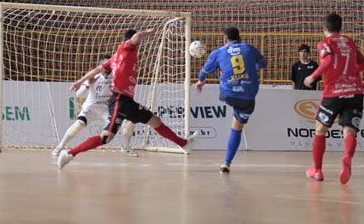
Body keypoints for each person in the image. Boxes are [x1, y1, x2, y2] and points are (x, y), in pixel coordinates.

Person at [58, 28, 198, 169]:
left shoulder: (115, 58)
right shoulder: (126, 49)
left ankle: (184, 144)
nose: (138, 45)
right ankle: (69, 154)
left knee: (155, 121)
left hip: (126, 101)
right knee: (105, 138)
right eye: (137, 43)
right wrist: (153, 31)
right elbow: (137, 36)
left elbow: (96, 70)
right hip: (119, 100)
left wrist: (78, 82)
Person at [304, 13, 364, 184]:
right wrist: (352, 70)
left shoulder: (325, 43)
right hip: (355, 92)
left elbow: (328, 60)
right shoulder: (349, 42)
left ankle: (317, 170)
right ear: (340, 28)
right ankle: (347, 157)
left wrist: (312, 76)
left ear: (324, 28)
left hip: (333, 93)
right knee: (349, 130)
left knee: (320, 130)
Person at [195, 27, 267, 174]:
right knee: (237, 128)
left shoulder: (219, 51)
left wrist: (200, 81)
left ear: (225, 39)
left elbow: (202, 73)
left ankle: (226, 164)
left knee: (233, 104)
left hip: (228, 95)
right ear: (239, 38)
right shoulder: (249, 48)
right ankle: (226, 164)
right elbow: (263, 64)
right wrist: (252, 66)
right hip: (248, 96)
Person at [52, 55, 138, 157]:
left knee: (128, 123)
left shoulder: (116, 77)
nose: (107, 69)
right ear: (100, 66)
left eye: (109, 66)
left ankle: (126, 147)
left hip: (107, 110)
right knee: (78, 125)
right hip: (91, 109)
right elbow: (78, 94)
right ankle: (60, 147)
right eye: (105, 66)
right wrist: (88, 84)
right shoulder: (93, 77)